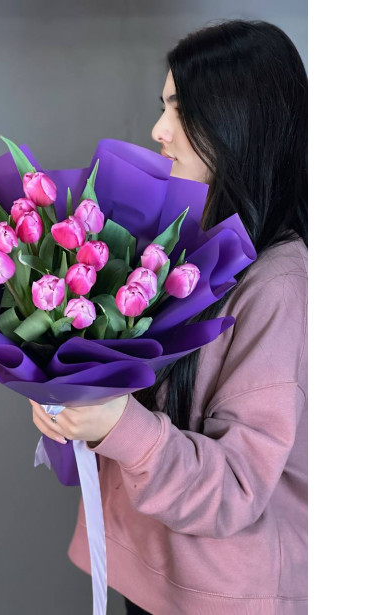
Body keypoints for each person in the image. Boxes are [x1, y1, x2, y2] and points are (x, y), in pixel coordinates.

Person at [30, 18, 307, 615]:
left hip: (222, 598)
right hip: (147, 577)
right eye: (164, 107)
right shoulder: (184, 247)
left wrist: (115, 424)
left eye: (181, 110)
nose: (159, 130)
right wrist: (69, 401)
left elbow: (236, 489)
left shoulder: (282, 287)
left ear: (240, 120)